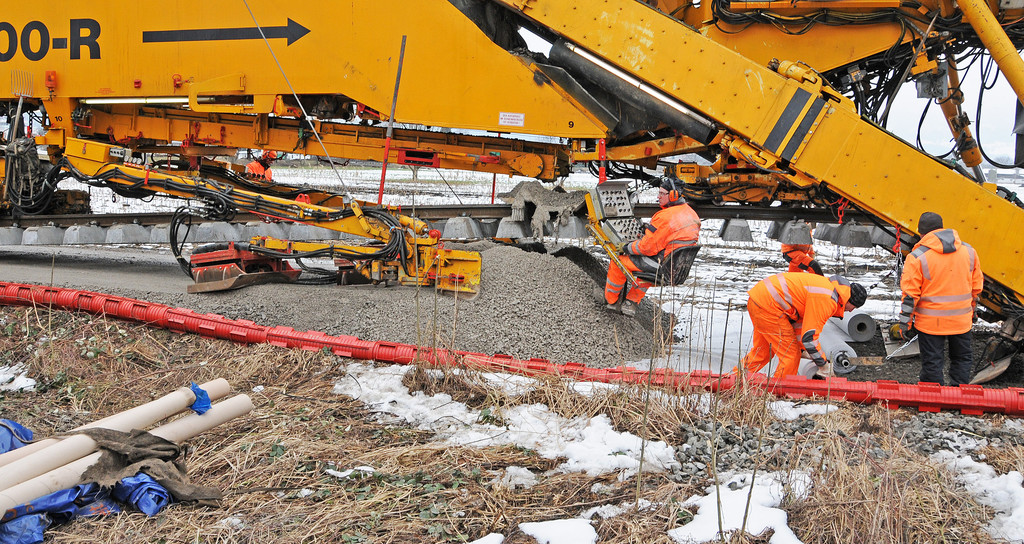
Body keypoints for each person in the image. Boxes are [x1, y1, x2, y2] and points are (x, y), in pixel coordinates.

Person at [896, 211, 983, 386]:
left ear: (921, 233)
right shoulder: (969, 252)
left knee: (932, 363)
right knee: (962, 359)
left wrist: (905, 323)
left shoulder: (916, 257)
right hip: (961, 321)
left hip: (931, 323)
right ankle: (960, 395)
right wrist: (972, 313)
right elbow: (976, 289)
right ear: (942, 227)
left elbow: (910, 296)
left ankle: (933, 397)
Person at [603, 177, 700, 316]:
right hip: (678, 268)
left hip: (663, 267)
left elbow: (646, 248)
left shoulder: (664, 216)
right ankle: (630, 303)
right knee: (645, 270)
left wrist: (626, 248)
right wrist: (650, 231)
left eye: (662, 193)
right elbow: (670, 236)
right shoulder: (691, 213)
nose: (658, 197)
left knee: (618, 262)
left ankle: (610, 301)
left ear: (673, 195)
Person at [741, 272, 867, 378]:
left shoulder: (828, 289)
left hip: (760, 299)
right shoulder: (827, 300)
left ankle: (735, 380)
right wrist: (823, 365)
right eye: (854, 307)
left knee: (763, 352)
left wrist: (802, 349)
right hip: (771, 306)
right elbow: (809, 337)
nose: (851, 311)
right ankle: (780, 392)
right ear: (849, 300)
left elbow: (800, 325)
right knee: (791, 355)